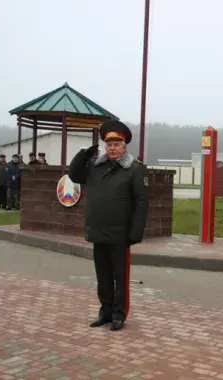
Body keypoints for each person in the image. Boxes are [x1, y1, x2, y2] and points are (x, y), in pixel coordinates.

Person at [68, 119, 149, 331]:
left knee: (120, 277)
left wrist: (136, 231)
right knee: (102, 275)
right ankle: (105, 311)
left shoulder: (134, 169)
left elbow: (142, 202)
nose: (112, 148)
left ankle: (119, 314)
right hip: (98, 230)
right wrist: (84, 154)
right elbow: (74, 175)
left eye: (117, 145)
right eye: (109, 145)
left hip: (121, 233)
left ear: (124, 147)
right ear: (105, 146)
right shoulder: (96, 167)